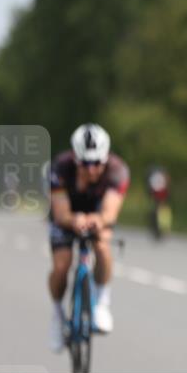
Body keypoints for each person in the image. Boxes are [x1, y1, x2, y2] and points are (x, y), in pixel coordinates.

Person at [47, 123, 130, 351]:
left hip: (97, 211)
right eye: (85, 163)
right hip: (67, 213)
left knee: (102, 246)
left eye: (97, 163)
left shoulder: (117, 170)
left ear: (105, 159)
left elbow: (110, 211)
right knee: (62, 266)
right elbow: (61, 212)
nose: (91, 169)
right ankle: (57, 316)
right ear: (75, 158)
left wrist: (98, 220)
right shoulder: (60, 168)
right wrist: (74, 220)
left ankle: (102, 302)